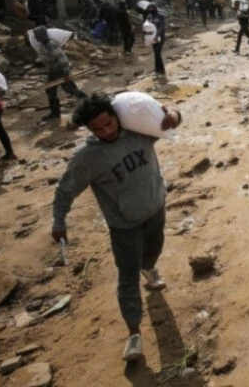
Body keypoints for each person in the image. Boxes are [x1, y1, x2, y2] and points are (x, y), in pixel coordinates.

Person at [51, 93, 182, 361]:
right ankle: (134, 333)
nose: (106, 132)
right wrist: (59, 221)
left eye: (109, 124)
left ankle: (150, 267)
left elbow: (171, 119)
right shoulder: (87, 159)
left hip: (156, 208)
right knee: (127, 276)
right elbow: (65, 191)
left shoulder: (139, 132)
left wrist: (173, 113)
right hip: (124, 226)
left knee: (154, 250)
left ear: (117, 118)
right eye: (97, 129)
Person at [34, 26, 88, 121]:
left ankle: (88, 100)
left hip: (60, 71)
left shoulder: (51, 44)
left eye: (36, 35)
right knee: (50, 90)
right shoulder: (43, 45)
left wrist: (66, 73)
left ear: (41, 35)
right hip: (53, 71)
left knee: (69, 89)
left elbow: (63, 59)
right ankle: (55, 113)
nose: (35, 37)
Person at [147, 4, 167, 75]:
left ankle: (161, 70)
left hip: (160, 37)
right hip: (152, 38)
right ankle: (157, 70)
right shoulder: (149, 17)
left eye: (151, 8)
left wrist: (157, 35)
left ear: (154, 8)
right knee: (156, 53)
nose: (150, 9)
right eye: (149, 8)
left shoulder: (160, 16)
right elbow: (148, 27)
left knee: (158, 52)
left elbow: (162, 27)